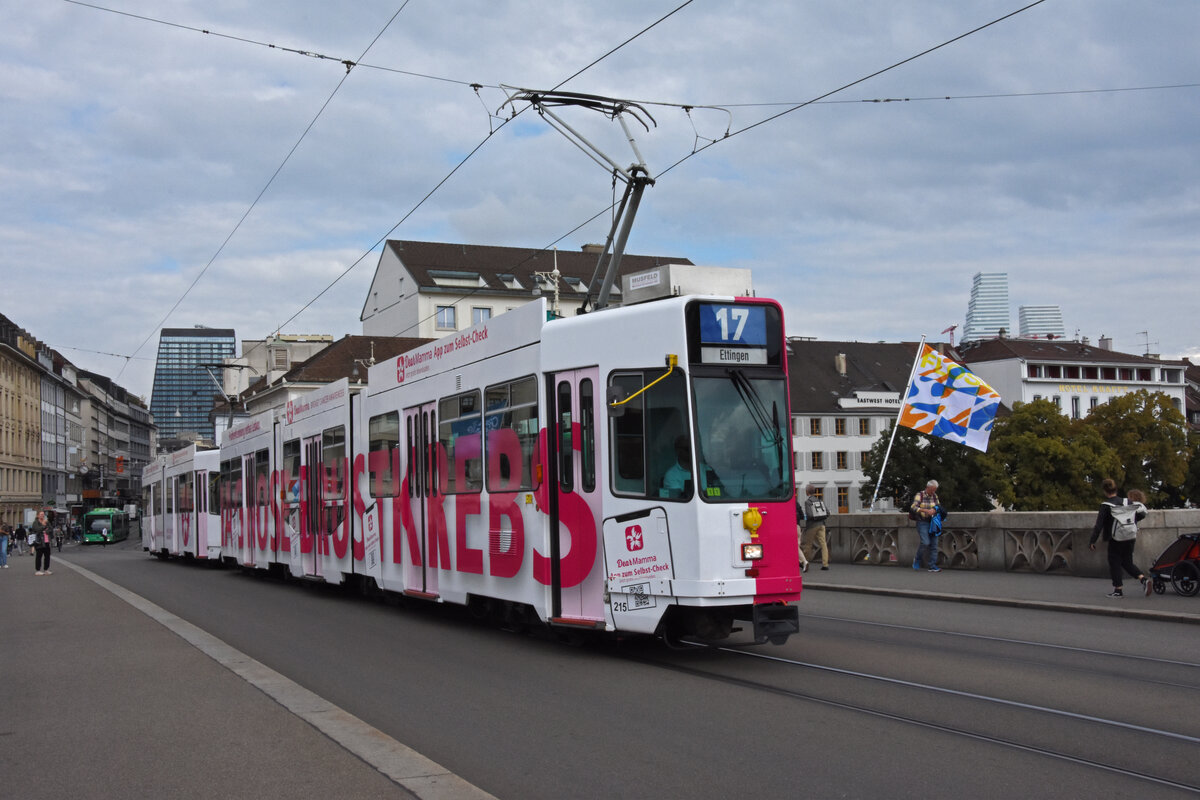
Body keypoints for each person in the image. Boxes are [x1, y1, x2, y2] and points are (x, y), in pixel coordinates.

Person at [1090, 478, 1150, 598]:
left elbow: (1099, 525)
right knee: (1127, 562)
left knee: (1115, 563)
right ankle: (1143, 579)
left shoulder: (1106, 506)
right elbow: (1141, 514)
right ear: (1116, 488)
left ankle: (1118, 590)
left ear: (1104, 491)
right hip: (1130, 536)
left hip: (1115, 538)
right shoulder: (1127, 502)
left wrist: (1092, 540)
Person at [911, 480, 942, 573]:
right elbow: (913, 507)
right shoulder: (919, 495)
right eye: (932, 490)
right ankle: (917, 560)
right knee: (925, 542)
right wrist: (925, 510)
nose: (933, 492)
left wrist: (934, 510)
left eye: (935, 490)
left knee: (934, 545)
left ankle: (932, 565)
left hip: (933, 522)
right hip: (922, 522)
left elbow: (938, 507)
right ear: (927, 487)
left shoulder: (935, 496)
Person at [801, 485, 830, 570]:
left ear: (807, 492)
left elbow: (809, 515)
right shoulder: (820, 500)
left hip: (812, 526)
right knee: (823, 544)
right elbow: (828, 513)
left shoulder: (808, 502)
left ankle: (805, 563)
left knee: (808, 545)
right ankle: (825, 564)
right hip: (822, 524)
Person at [31, 510, 53, 576]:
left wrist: (47, 531)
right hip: (39, 542)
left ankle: (46, 569)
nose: (42, 516)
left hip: (46, 541)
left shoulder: (47, 522)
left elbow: (51, 528)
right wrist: (43, 526)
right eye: (41, 514)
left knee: (47, 556)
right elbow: (37, 529)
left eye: (43, 514)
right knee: (39, 556)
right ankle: (38, 570)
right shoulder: (35, 522)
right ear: (38, 515)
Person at [794, 496, 811, 573]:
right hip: (798, 526)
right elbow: (802, 515)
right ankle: (799, 562)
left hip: (790, 527)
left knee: (794, 547)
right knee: (796, 546)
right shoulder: (796, 503)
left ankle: (804, 562)